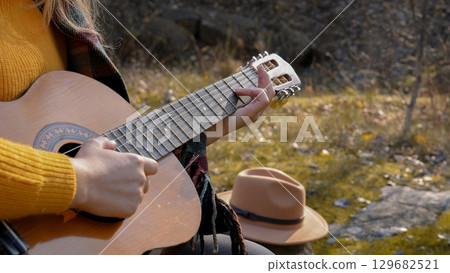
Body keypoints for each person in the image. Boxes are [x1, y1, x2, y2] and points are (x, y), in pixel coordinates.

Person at [0, 0, 274, 254]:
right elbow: (89, 172)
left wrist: (212, 126)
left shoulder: (56, 8)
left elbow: (103, 145)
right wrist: (80, 180)